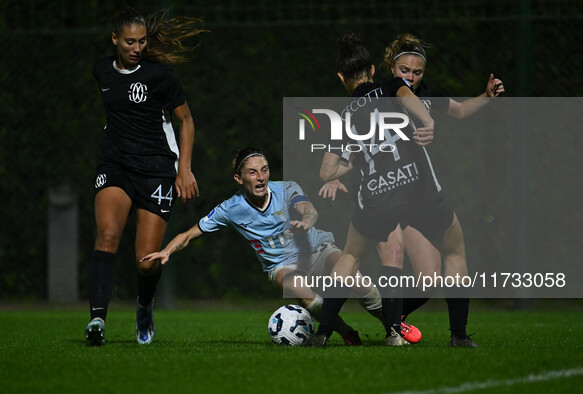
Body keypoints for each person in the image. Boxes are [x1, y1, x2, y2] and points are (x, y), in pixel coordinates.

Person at [319, 33, 504, 342]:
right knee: (395, 251)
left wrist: (485, 97)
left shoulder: (367, 105)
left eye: (417, 72)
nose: (411, 77)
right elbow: (401, 107)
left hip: (394, 194)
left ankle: (389, 316)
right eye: (405, 71)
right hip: (404, 190)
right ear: (388, 69)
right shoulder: (394, 91)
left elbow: (457, 111)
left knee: (428, 279)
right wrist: (426, 122)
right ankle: (399, 330)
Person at [141, 147, 420, 345]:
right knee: (295, 285)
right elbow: (190, 233)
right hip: (280, 265)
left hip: (317, 249)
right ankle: (346, 331)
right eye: (252, 173)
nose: (261, 177)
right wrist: (167, 250)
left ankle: (391, 326)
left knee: (355, 280)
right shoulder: (230, 208)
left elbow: (309, 209)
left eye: (264, 170)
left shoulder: (285, 188)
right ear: (239, 179)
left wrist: (307, 220)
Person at [84, 7, 205, 346]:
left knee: (146, 262)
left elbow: (186, 121)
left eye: (142, 41)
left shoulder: (160, 76)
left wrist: (184, 168)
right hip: (116, 166)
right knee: (107, 235)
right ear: (115, 40)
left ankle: (144, 304)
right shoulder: (101, 72)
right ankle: (97, 319)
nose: (136, 48)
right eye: (129, 42)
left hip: (155, 170)